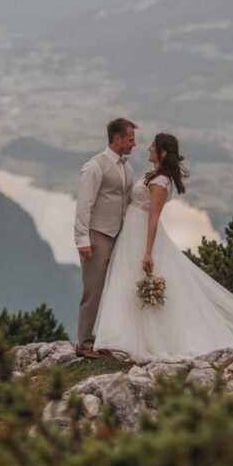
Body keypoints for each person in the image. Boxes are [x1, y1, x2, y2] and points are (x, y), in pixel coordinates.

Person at [93, 132, 233, 363]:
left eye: (153, 146)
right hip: (132, 232)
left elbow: (153, 218)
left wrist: (147, 252)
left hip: (141, 234)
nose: (148, 148)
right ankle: (125, 337)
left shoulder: (160, 182)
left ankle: (140, 339)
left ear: (162, 153)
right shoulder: (154, 175)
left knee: (139, 278)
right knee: (128, 280)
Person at [74, 117, 137, 358]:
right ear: (117, 139)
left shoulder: (126, 168)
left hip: (118, 237)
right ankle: (84, 343)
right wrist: (83, 240)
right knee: (93, 290)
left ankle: (104, 340)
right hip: (97, 236)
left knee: (112, 290)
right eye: (130, 139)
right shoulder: (95, 166)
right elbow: (84, 204)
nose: (134, 144)